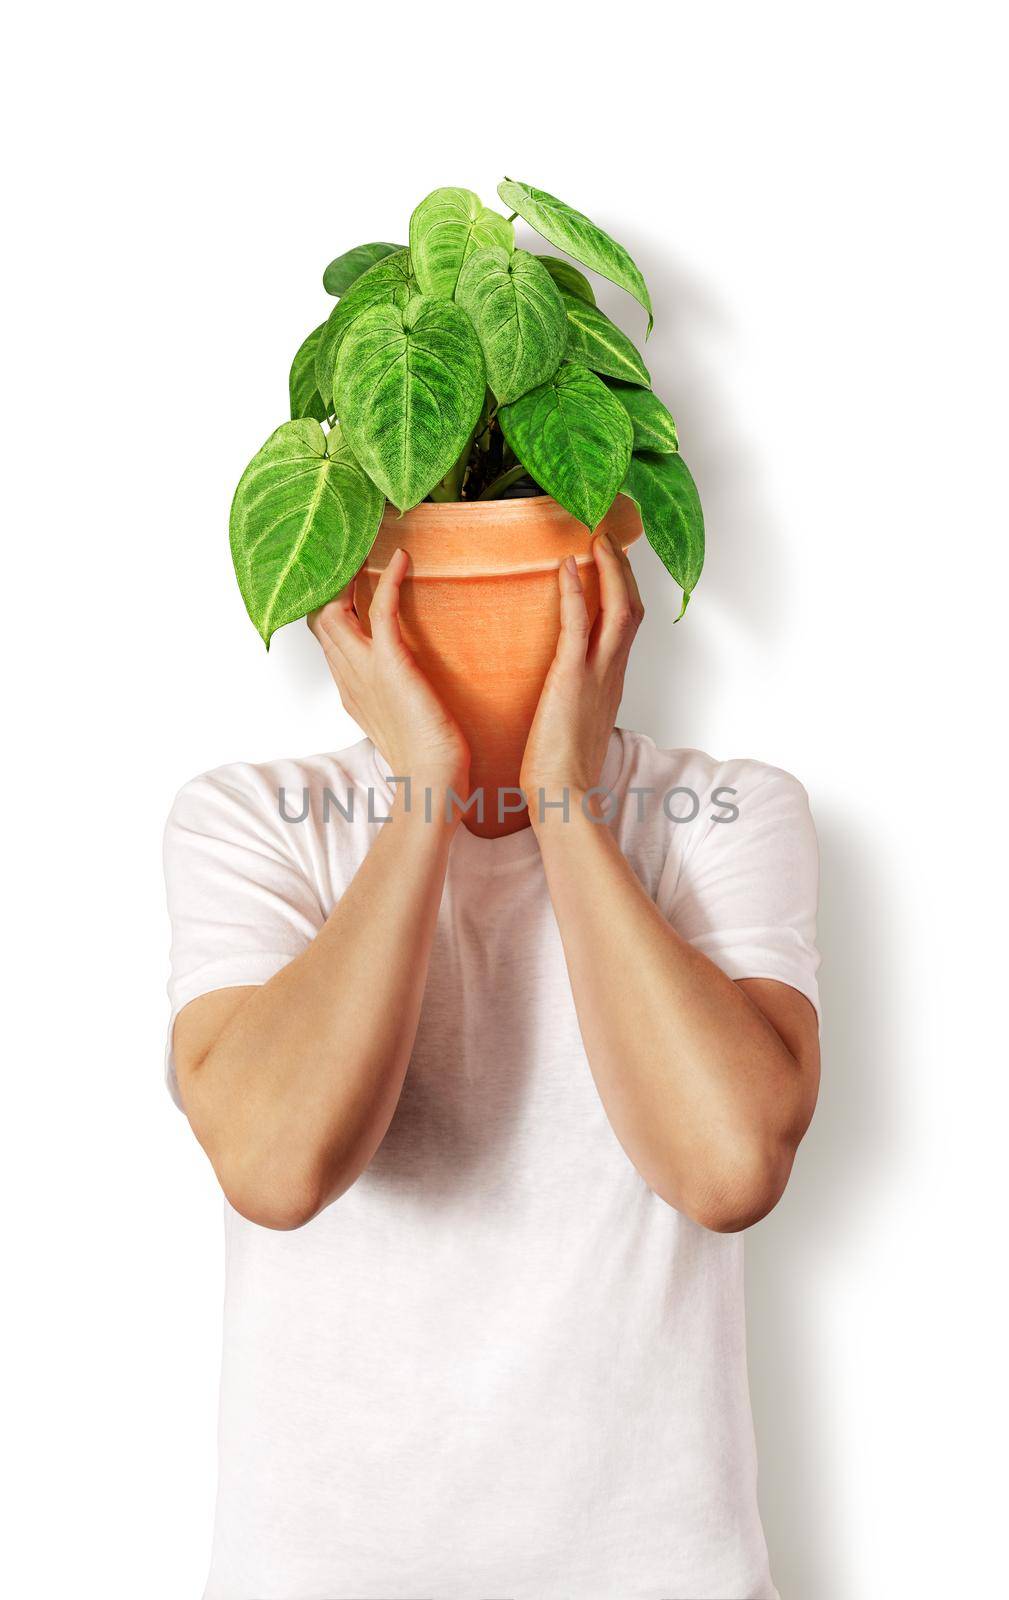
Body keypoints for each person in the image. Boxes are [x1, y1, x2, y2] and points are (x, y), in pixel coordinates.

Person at [164, 531, 820, 1600]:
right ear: (363, 591)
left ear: (601, 577)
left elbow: (727, 1167)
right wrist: (426, 789)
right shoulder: (247, 821)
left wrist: (559, 791)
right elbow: (276, 1168)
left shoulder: (729, 813)